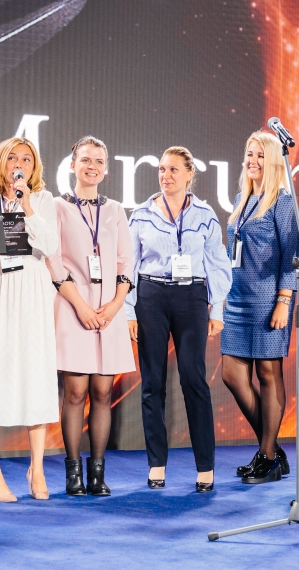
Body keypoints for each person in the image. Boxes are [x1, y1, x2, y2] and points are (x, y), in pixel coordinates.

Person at [125, 146, 232, 493]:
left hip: (192, 297)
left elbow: (218, 262)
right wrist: (129, 310)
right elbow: (129, 265)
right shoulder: (141, 214)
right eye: (162, 169)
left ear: (189, 174)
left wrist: (217, 310)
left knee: (194, 379)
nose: (166, 175)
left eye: (173, 169)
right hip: (151, 297)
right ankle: (156, 464)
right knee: (152, 383)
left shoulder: (205, 214)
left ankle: (205, 468)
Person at [0, 137, 60, 502]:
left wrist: (27, 204)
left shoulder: (43, 200)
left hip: (31, 289)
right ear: (1, 163)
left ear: (34, 167)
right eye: (12, 158)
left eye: (27, 159)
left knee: (35, 373)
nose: (19, 164)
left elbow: (49, 247)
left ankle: (37, 468)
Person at [46, 136, 135, 497]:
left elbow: (126, 262)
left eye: (98, 161)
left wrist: (115, 305)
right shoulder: (57, 207)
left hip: (109, 310)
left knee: (102, 391)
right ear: (72, 165)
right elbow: (53, 262)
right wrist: (81, 306)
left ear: (106, 169)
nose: (92, 166)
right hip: (72, 308)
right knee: (75, 391)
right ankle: (73, 473)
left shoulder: (115, 210)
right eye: (85, 160)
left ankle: (97, 472)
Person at [221, 130, 299, 484]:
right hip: (237, 298)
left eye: (260, 155)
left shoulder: (283, 201)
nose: (252, 161)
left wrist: (284, 300)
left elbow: (290, 257)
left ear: (274, 162)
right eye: (249, 154)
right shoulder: (242, 198)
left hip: (269, 299)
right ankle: (273, 450)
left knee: (268, 375)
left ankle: (267, 457)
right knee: (232, 375)